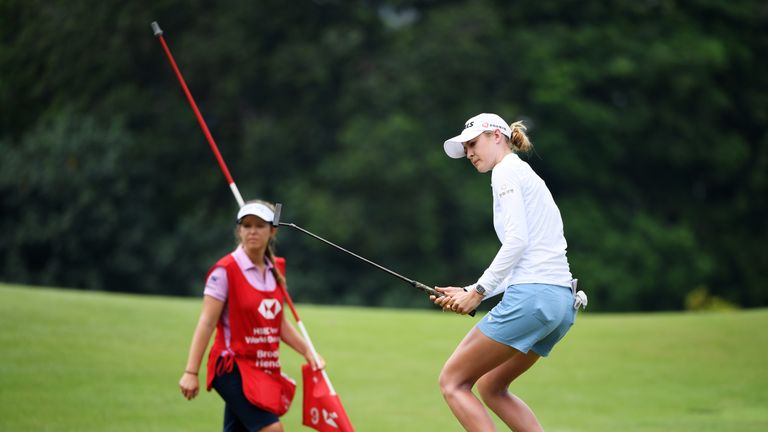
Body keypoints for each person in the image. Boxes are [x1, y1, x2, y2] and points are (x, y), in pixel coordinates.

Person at [431, 113, 586, 431]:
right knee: (491, 387)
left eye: (473, 144)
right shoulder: (523, 173)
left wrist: (477, 293)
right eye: (466, 149)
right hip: (560, 304)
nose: (470, 153)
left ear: (496, 137)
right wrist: (470, 289)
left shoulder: (504, 172)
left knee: (452, 381)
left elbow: (516, 242)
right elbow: (524, 256)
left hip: (534, 298)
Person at [179, 200, 324, 432]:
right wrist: (191, 371)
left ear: (272, 230)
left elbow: (278, 323)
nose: (252, 231)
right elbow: (207, 322)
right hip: (231, 367)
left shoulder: (274, 270)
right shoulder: (224, 271)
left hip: (262, 367)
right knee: (271, 429)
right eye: (246, 226)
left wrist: (308, 352)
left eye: (259, 225)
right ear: (239, 230)